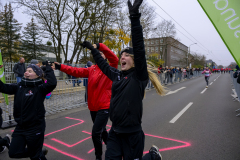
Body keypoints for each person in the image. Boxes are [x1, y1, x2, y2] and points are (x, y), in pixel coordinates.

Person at [80, 0, 165, 159]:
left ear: (134, 60)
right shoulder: (117, 75)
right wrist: (92, 49)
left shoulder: (139, 76)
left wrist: (134, 17)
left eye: (126, 55)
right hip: (115, 133)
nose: (122, 58)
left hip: (133, 135)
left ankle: (153, 156)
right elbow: (102, 64)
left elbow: (139, 47)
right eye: (121, 56)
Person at [54, 43, 119, 160]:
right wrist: (60, 67)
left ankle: (98, 156)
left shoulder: (111, 68)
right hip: (93, 107)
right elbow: (75, 71)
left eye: (101, 54)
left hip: (104, 106)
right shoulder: (91, 69)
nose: (99, 55)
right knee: (102, 130)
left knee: (95, 133)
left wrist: (99, 46)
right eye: (97, 54)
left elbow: (114, 58)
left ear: (104, 56)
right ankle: (112, 148)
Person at [0, 62, 57, 160]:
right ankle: (38, 152)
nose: (26, 72)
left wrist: (48, 67)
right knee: (13, 152)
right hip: (21, 127)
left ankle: (37, 153)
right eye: (26, 70)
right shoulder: (19, 86)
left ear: (37, 75)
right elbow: (3, 87)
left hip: (35, 127)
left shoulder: (40, 88)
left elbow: (52, 83)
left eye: (30, 71)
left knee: (35, 157)